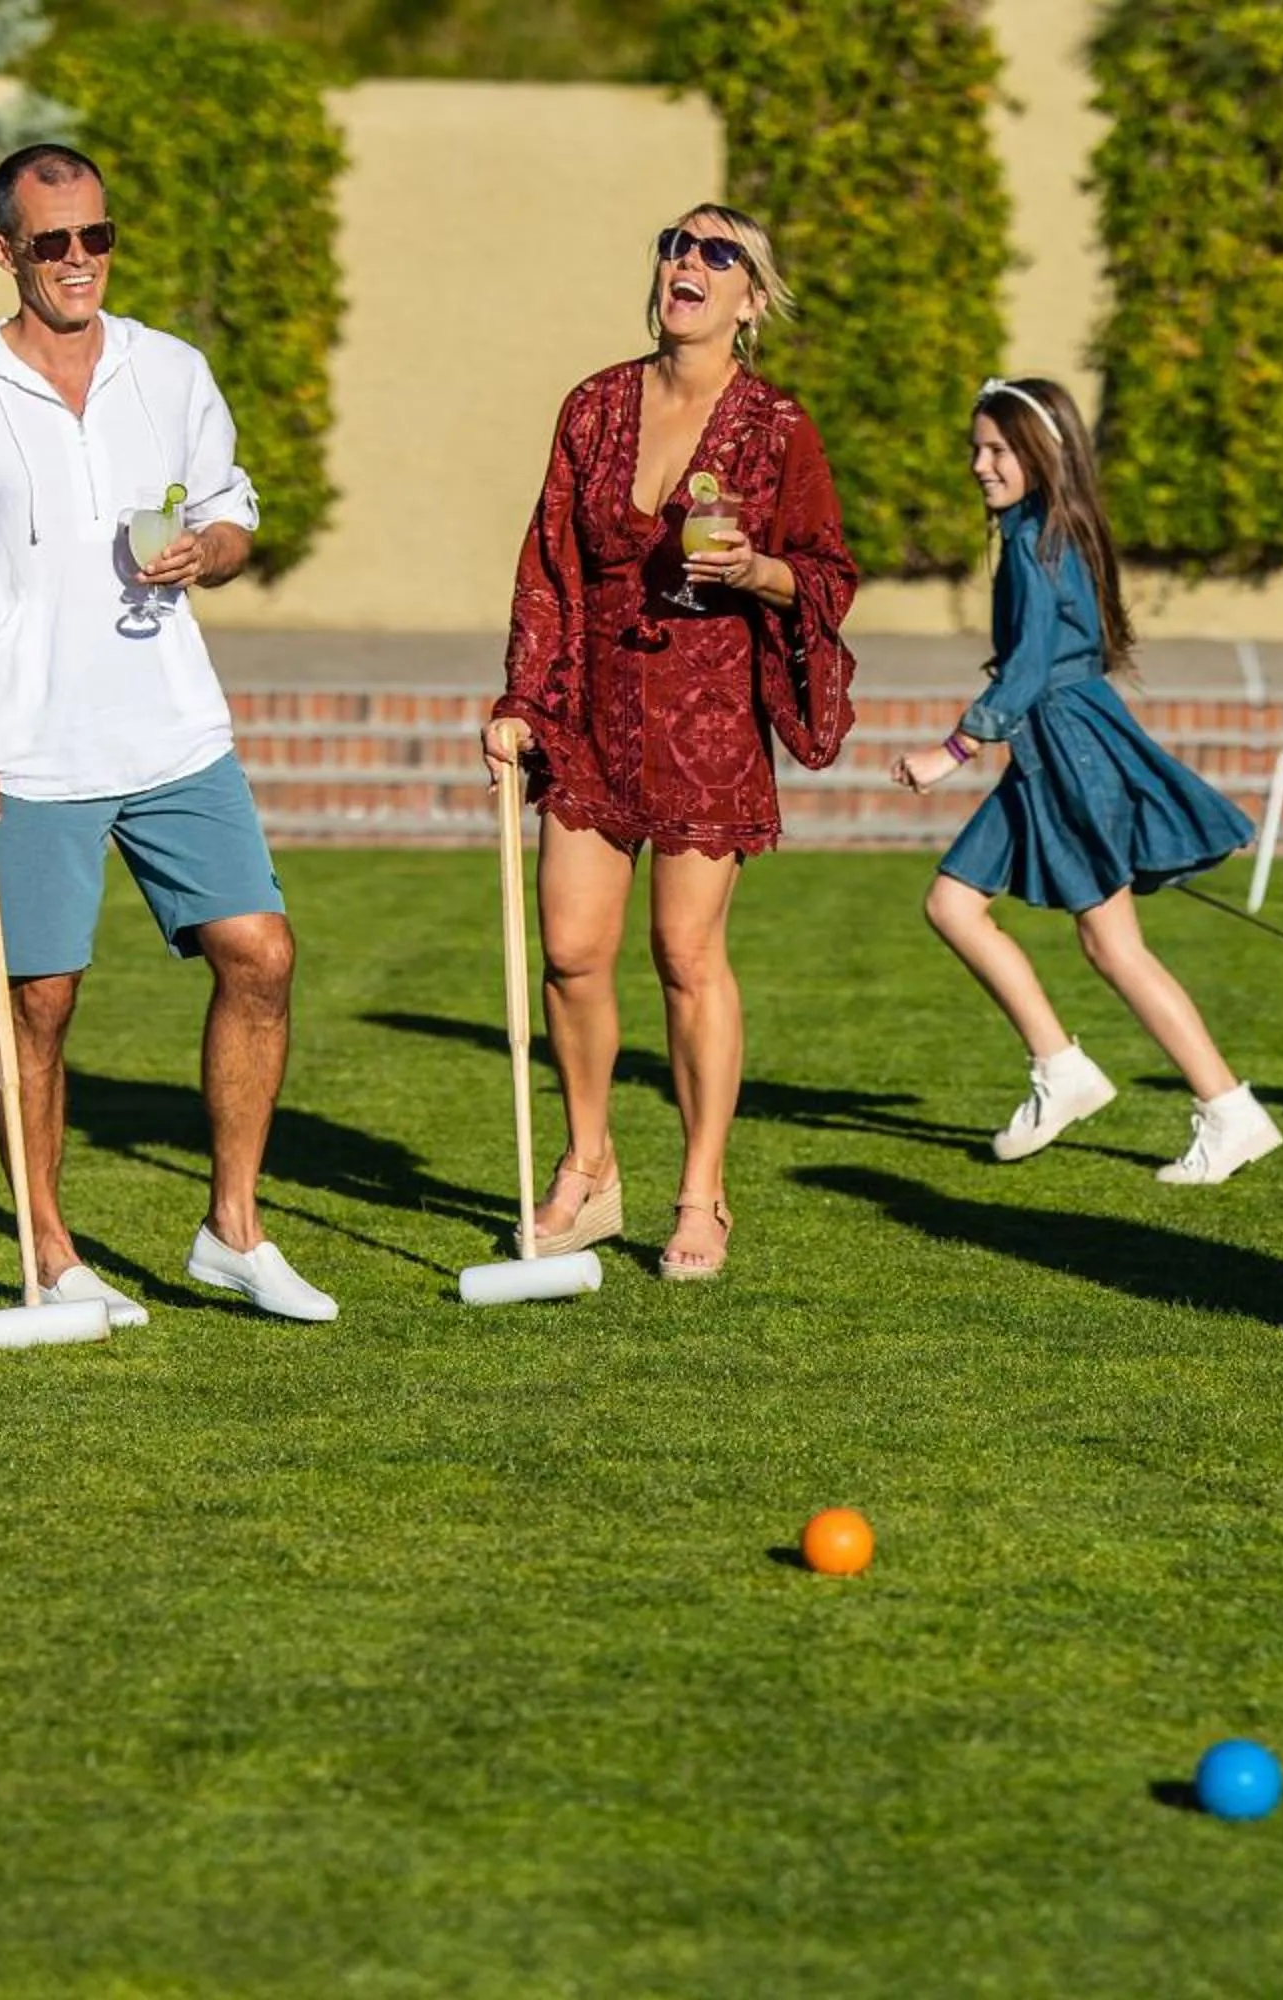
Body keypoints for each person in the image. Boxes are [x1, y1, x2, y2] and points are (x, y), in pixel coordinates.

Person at [0, 142, 336, 1326]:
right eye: (52, 243)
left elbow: (231, 508)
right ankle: (52, 1253)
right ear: (6, 253)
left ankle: (233, 1230)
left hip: (174, 729)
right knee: (40, 1005)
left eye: (96, 237)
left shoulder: (169, 371)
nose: (80, 262)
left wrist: (209, 550)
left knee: (263, 954)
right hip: (24, 750)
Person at [480, 205, 858, 1281]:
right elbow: (549, 561)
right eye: (676, 247)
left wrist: (757, 574)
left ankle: (702, 1189)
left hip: (707, 717)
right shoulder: (594, 406)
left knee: (686, 958)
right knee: (571, 951)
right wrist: (521, 699)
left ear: (750, 297)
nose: (688, 264)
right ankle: (589, 1164)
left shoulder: (775, 426)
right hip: (594, 711)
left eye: (717, 253)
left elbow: (827, 572)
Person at [891, 376, 1280, 1185]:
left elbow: (1033, 664)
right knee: (953, 904)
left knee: (1113, 946)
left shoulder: (1039, 538)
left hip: (1070, 750)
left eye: (997, 449)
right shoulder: (1040, 531)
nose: (979, 465)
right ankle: (1063, 1068)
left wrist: (951, 751)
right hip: (1049, 745)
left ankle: (1228, 1110)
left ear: (1040, 454)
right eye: (975, 448)